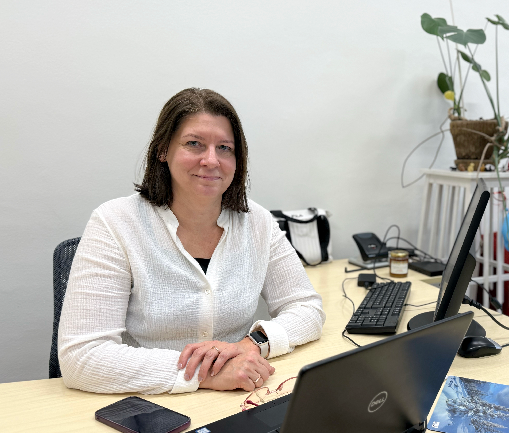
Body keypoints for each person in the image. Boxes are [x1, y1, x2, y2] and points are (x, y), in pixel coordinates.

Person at [58, 88, 325, 395]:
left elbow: (307, 308)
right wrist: (203, 374)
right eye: (194, 144)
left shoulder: (257, 222)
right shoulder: (115, 223)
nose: (211, 160)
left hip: (237, 398)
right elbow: (82, 357)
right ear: (163, 150)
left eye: (224, 148)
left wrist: (252, 344)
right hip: (147, 404)